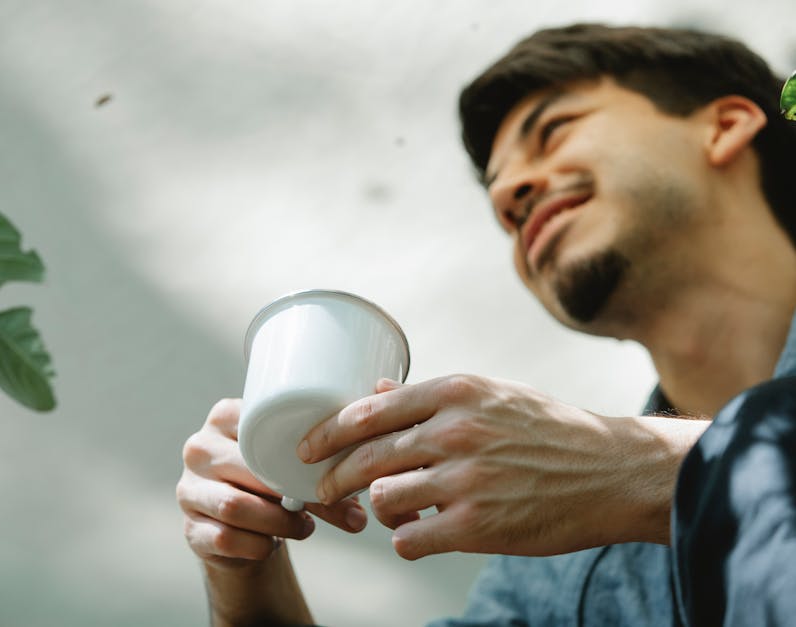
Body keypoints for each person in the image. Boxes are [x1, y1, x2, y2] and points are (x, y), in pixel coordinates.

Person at [176, 23, 796, 626]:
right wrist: (243, 576)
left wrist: (641, 468)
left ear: (726, 124)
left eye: (553, 130)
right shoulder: (554, 568)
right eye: (502, 209)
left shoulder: (586, 487)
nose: (511, 196)